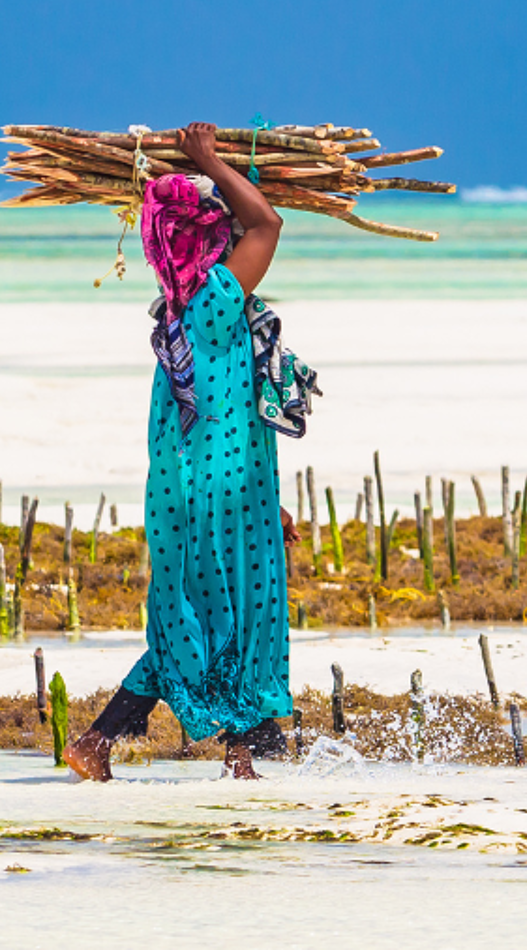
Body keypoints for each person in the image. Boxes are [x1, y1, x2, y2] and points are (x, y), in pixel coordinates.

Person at [65, 121, 318, 781]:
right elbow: (268, 225)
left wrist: (268, 505)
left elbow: (224, 423)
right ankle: (100, 740)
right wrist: (208, 159)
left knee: (211, 620)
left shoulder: (185, 316)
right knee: (220, 621)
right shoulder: (211, 303)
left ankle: (234, 755)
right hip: (215, 504)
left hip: (208, 497)